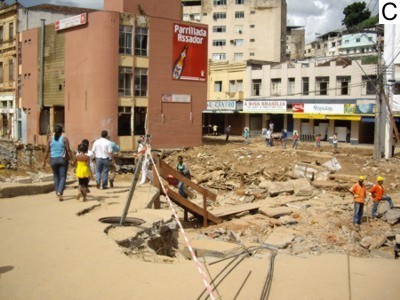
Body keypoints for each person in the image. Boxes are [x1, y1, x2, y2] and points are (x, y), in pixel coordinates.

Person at [43, 124, 74, 201]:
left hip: (53, 159)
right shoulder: (64, 139)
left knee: (56, 176)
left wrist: (44, 161)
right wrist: (72, 159)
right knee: (63, 176)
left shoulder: (50, 139)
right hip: (62, 160)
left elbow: (47, 151)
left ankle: (57, 191)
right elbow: (68, 150)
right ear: (61, 132)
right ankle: (60, 192)